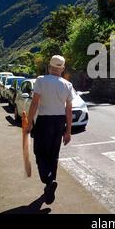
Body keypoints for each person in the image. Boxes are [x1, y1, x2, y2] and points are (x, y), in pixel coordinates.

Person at [27, 55, 73, 204]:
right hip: (59, 122)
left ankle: (48, 179)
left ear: (49, 66)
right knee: (54, 154)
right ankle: (51, 180)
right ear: (63, 68)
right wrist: (68, 131)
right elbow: (69, 110)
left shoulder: (41, 80)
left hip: (45, 121)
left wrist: (29, 123)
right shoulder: (67, 84)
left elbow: (34, 103)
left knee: (40, 152)